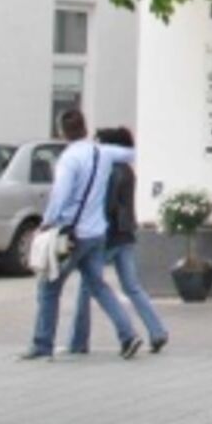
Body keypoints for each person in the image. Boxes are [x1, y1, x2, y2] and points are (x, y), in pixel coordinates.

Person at [19, 109, 142, 360]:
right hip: (97, 233)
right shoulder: (102, 152)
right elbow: (132, 154)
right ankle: (128, 335)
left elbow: (60, 195)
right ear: (85, 128)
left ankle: (42, 344)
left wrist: (47, 222)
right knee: (99, 286)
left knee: (49, 287)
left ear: (62, 132)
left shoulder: (69, 159)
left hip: (72, 234)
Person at [69, 127, 169, 357]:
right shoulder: (127, 170)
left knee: (87, 286)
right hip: (126, 234)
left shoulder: (110, 171)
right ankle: (157, 331)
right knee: (132, 287)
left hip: (109, 235)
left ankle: (78, 341)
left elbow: (106, 206)